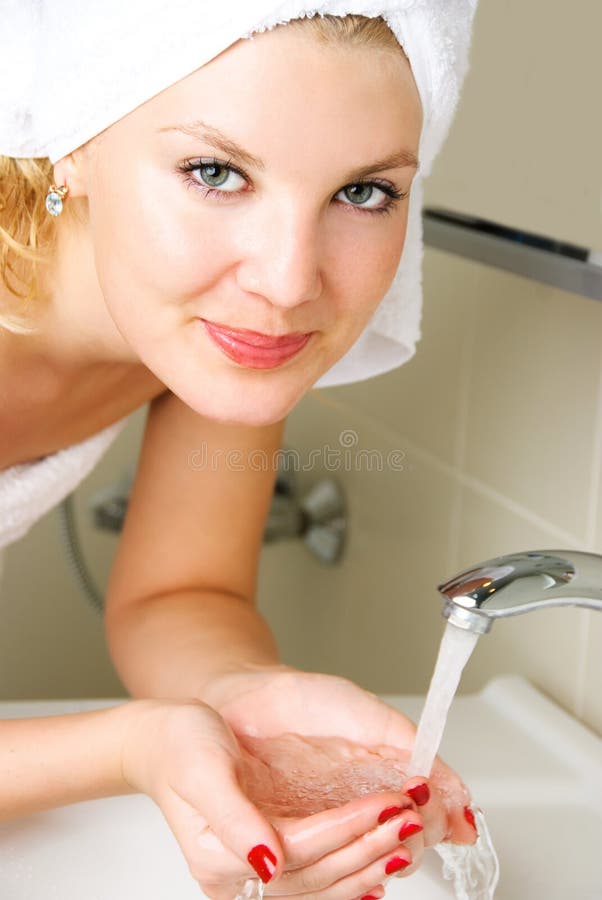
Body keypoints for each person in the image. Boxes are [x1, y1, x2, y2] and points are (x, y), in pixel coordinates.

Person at [0, 6, 479, 899]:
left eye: (363, 191)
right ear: (72, 136)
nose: (290, 280)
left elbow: (180, 594)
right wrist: (133, 748)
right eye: (215, 172)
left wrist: (245, 694)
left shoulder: (219, 332)